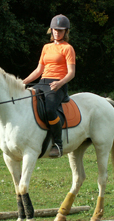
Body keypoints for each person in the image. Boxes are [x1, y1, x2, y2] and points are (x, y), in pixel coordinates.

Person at [23, 14, 76, 158]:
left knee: (50, 110)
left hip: (58, 84)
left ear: (66, 32)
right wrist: (23, 82)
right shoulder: (46, 47)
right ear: (51, 30)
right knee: (27, 102)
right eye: (55, 30)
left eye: (60, 30)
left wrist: (60, 83)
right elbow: (39, 70)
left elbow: (71, 73)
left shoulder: (68, 48)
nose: (57, 32)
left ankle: (58, 144)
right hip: (43, 82)